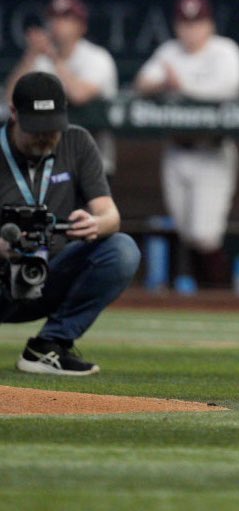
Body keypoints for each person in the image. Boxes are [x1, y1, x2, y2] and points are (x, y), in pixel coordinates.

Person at [0, 72, 140, 375]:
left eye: (52, 128)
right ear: (14, 114)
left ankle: (50, 344)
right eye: (36, 129)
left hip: (51, 271)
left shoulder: (77, 141)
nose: (45, 137)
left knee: (122, 249)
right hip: (1, 275)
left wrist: (94, 224)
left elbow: (110, 215)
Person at [134, 0, 239, 290]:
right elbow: (142, 83)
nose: (191, 30)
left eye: (197, 23)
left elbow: (228, 87)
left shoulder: (224, 50)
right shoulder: (169, 51)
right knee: (187, 233)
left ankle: (224, 299)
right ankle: (205, 300)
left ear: (209, 25)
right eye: (185, 23)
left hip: (212, 150)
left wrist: (181, 85)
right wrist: (162, 82)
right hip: (177, 149)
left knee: (204, 234)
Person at [4, 0, 119, 181]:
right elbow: (9, 99)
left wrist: (54, 59)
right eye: (53, 17)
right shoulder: (40, 60)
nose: (57, 24)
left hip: (92, 162)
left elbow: (79, 95)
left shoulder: (97, 57)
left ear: (82, 26)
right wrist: (30, 56)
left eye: (66, 18)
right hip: (48, 163)